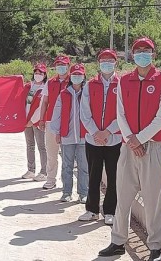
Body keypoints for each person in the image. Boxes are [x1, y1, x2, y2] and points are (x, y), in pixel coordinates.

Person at [98, 37, 161, 261]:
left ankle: (155, 247)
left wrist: (140, 139)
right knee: (123, 196)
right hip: (128, 146)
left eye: (146, 50)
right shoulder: (125, 81)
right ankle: (118, 241)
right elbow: (120, 112)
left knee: (153, 201)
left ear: (153, 54)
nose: (142, 54)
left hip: (153, 146)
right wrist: (132, 140)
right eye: (138, 50)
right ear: (132, 55)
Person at [78, 49, 122, 225]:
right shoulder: (90, 85)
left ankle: (110, 211)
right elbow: (84, 112)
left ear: (115, 63)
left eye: (110, 60)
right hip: (93, 139)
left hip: (114, 140)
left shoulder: (122, 84)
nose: (106, 63)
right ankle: (92, 210)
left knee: (113, 177)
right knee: (93, 175)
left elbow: (124, 113)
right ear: (98, 63)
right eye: (103, 60)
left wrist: (108, 131)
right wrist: (95, 132)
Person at [50, 63, 88, 203]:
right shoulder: (64, 94)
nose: (77, 77)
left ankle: (83, 193)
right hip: (67, 135)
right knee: (67, 166)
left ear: (84, 76)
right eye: (74, 75)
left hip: (84, 136)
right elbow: (57, 114)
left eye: (79, 75)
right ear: (70, 77)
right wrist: (57, 132)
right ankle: (66, 192)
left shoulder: (87, 92)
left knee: (84, 167)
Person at [38, 55, 70, 189]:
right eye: (58, 65)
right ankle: (51, 179)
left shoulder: (74, 80)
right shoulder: (50, 82)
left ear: (68, 66)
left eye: (63, 65)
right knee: (52, 153)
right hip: (51, 121)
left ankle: (67, 183)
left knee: (68, 155)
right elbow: (45, 101)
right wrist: (41, 119)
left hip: (69, 121)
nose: (61, 68)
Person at [22, 63, 48, 182]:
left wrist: (32, 121)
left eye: (40, 73)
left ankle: (44, 172)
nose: (38, 75)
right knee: (30, 145)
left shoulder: (45, 87)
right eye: (36, 73)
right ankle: (31, 170)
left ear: (45, 74)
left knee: (42, 147)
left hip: (38, 122)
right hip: (26, 121)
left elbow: (42, 106)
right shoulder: (29, 86)